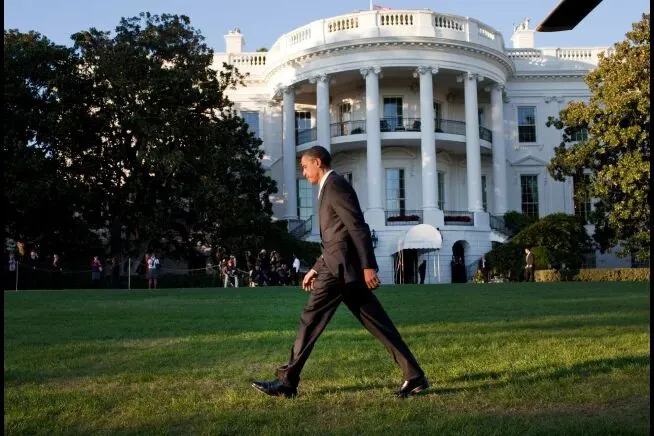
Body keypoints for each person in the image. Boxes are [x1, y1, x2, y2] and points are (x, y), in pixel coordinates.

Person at [251, 145, 428, 399]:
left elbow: (357, 226)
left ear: (318, 162)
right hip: (341, 269)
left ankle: (287, 383)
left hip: (339, 272)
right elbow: (337, 237)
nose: (304, 172)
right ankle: (415, 375)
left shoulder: (335, 185)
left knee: (310, 321)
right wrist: (315, 267)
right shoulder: (329, 187)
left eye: (305, 166)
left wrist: (368, 266)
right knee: (379, 324)